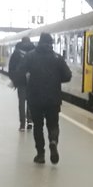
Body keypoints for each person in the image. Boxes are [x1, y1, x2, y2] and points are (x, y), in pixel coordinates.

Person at [14, 33, 72, 164]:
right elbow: (68, 75)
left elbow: (19, 72)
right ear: (51, 43)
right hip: (53, 97)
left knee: (38, 126)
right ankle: (53, 141)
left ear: (39, 42)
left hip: (35, 98)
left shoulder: (30, 56)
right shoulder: (57, 57)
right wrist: (57, 78)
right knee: (53, 124)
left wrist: (25, 80)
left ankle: (40, 154)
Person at [7, 36, 35, 130]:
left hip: (21, 81)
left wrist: (14, 79)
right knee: (31, 102)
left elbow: (11, 68)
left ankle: (22, 124)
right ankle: (30, 121)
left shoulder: (16, 53)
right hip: (32, 81)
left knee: (21, 102)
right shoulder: (34, 52)